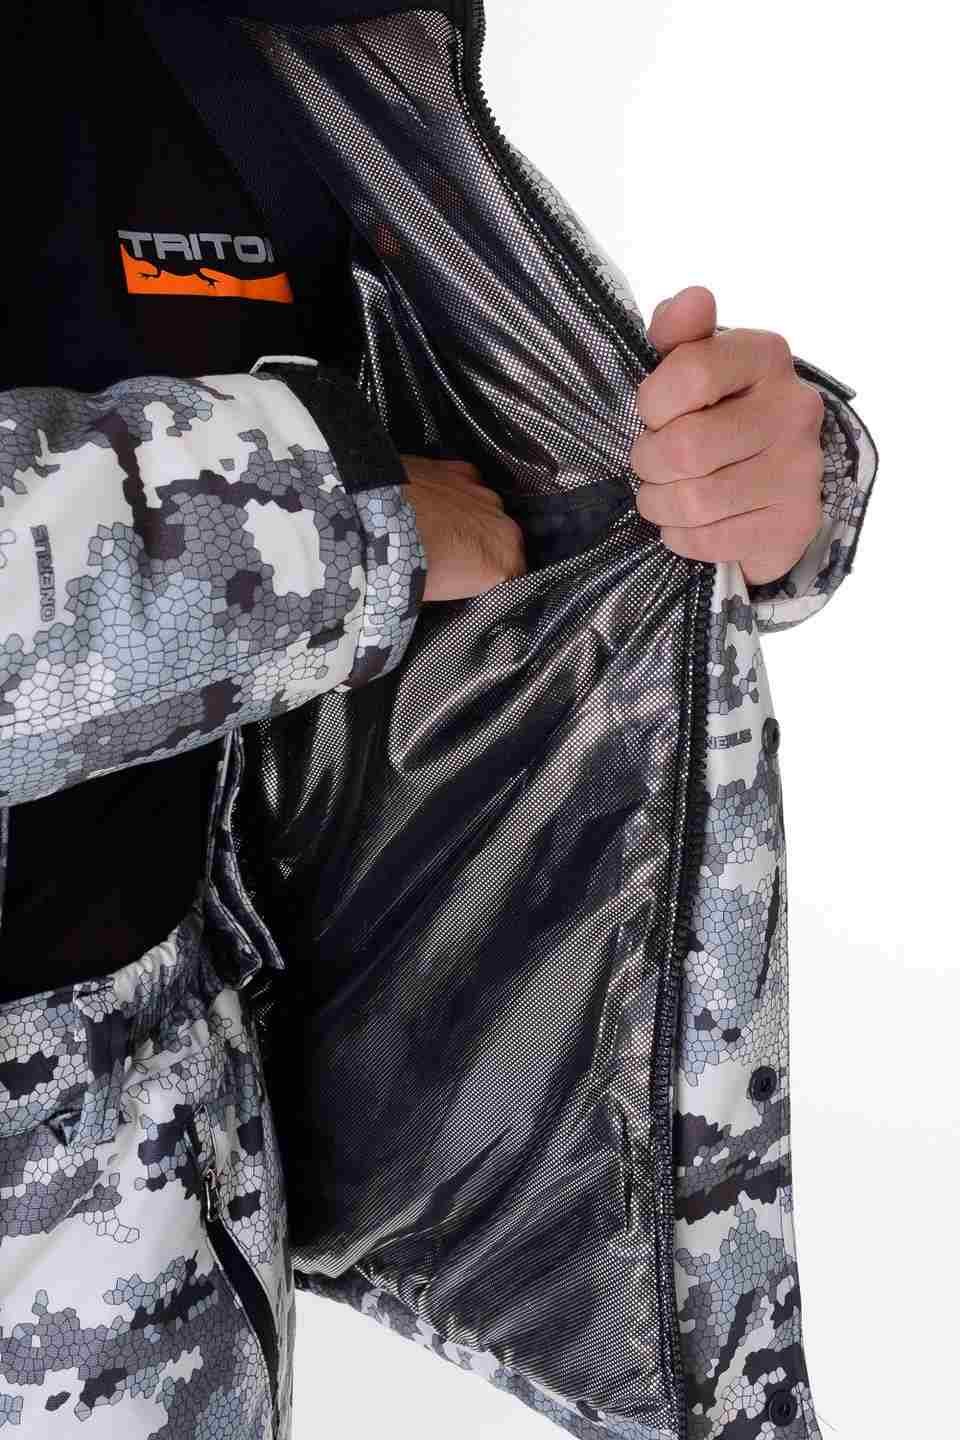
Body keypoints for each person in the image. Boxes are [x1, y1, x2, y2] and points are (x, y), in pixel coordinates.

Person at [0, 4, 876, 1439]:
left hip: (150, 1196)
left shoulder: (249, 43)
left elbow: (509, 484)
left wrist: (767, 484)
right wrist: (336, 519)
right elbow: (377, 503)